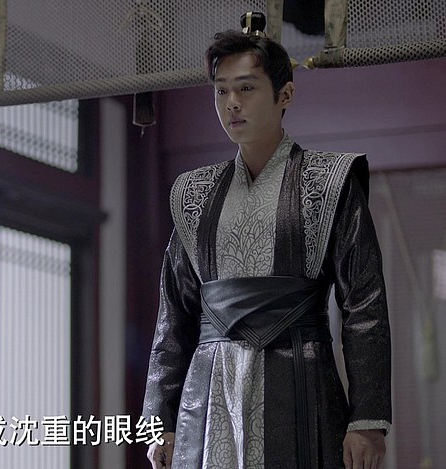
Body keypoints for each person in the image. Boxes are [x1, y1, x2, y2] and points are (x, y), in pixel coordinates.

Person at [142, 13, 392, 469]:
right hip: (209, 388)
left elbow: (364, 304)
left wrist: (367, 421)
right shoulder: (195, 194)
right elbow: (174, 314)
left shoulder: (328, 181)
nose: (232, 103)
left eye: (246, 88)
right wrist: (160, 420)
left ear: (285, 95)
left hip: (300, 377)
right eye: (221, 91)